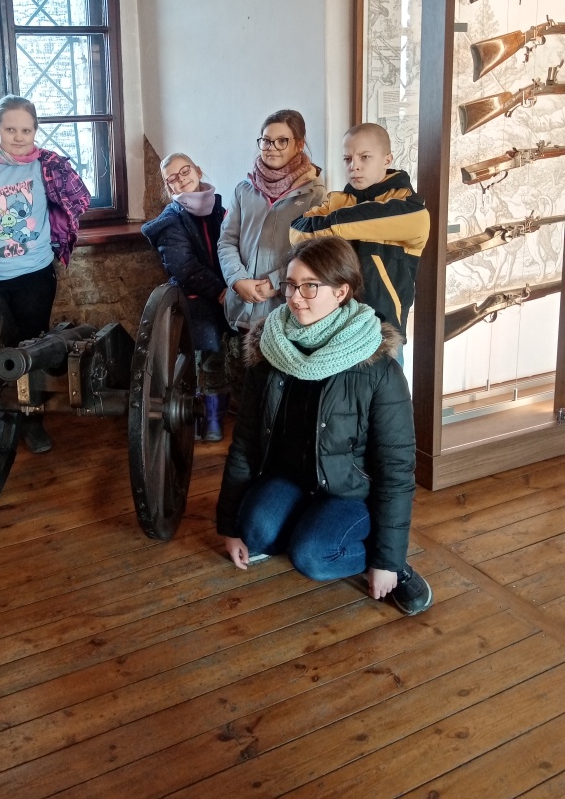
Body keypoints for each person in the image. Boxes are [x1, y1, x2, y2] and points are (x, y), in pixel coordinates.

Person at [216, 236, 433, 616]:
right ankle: (306, 524)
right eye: (290, 285)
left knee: (313, 557)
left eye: (309, 286)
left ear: (341, 291)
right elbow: (246, 442)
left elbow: (396, 468)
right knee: (254, 532)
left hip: (349, 490)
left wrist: (388, 560)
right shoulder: (270, 349)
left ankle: (390, 562)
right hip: (291, 476)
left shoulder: (376, 366)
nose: (295, 298)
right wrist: (228, 526)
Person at [0, 94, 91, 453]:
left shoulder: (47, 166)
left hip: (34, 276)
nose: (19, 137)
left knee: (31, 351)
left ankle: (31, 421)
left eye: (26, 130)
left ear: (35, 131)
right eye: (11, 129)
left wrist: (58, 193)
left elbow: (80, 198)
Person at [289, 122, 429, 348]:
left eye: (365, 157)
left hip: (383, 332)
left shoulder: (410, 207)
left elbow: (413, 220)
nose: (354, 166)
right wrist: (346, 222)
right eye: (347, 159)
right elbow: (297, 231)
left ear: (387, 159)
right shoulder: (336, 200)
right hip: (332, 326)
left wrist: (331, 222)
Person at [141, 153, 230, 441]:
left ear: (198, 170)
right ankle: (205, 419)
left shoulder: (219, 210)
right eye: (172, 179)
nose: (181, 179)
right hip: (193, 295)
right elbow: (184, 267)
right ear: (169, 188)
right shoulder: (171, 221)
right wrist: (220, 290)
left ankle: (219, 413)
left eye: (185, 171)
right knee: (206, 353)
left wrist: (235, 284)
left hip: (225, 290)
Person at [218, 109, 327, 335]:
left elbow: (313, 253)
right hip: (242, 308)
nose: (272, 148)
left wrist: (275, 283)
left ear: (299, 144)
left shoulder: (314, 194)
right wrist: (238, 280)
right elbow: (227, 241)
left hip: (286, 309)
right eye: (266, 141)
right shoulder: (243, 190)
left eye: (282, 141)